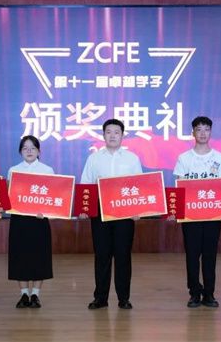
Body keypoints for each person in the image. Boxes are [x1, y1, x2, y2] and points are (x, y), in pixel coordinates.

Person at [81, 119, 142, 310]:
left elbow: (139, 186)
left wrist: (138, 210)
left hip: (125, 212)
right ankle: (100, 298)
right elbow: (86, 184)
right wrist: (84, 209)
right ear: (103, 135)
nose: (113, 135)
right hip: (100, 212)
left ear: (122, 135)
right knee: (102, 255)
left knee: (123, 256)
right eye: (109, 132)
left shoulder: (132, 158)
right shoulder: (94, 159)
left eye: (116, 132)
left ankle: (124, 298)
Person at [173, 116, 221, 308]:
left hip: (213, 215)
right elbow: (179, 186)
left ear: (211, 132)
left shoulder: (219, 158)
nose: (203, 133)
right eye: (199, 129)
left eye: (206, 129)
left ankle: (209, 293)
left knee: (210, 255)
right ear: (193, 133)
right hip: (191, 216)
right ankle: (194, 293)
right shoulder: (184, 158)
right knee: (192, 255)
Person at [7, 135, 54, 309]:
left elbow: (53, 197)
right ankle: (23, 294)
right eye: (25, 148)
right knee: (20, 257)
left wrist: (47, 212)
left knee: (39, 257)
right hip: (19, 221)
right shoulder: (13, 170)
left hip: (39, 221)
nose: (29, 151)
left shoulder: (47, 170)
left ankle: (35, 294)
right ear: (20, 151)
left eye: (32, 148)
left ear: (39, 151)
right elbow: (9, 196)